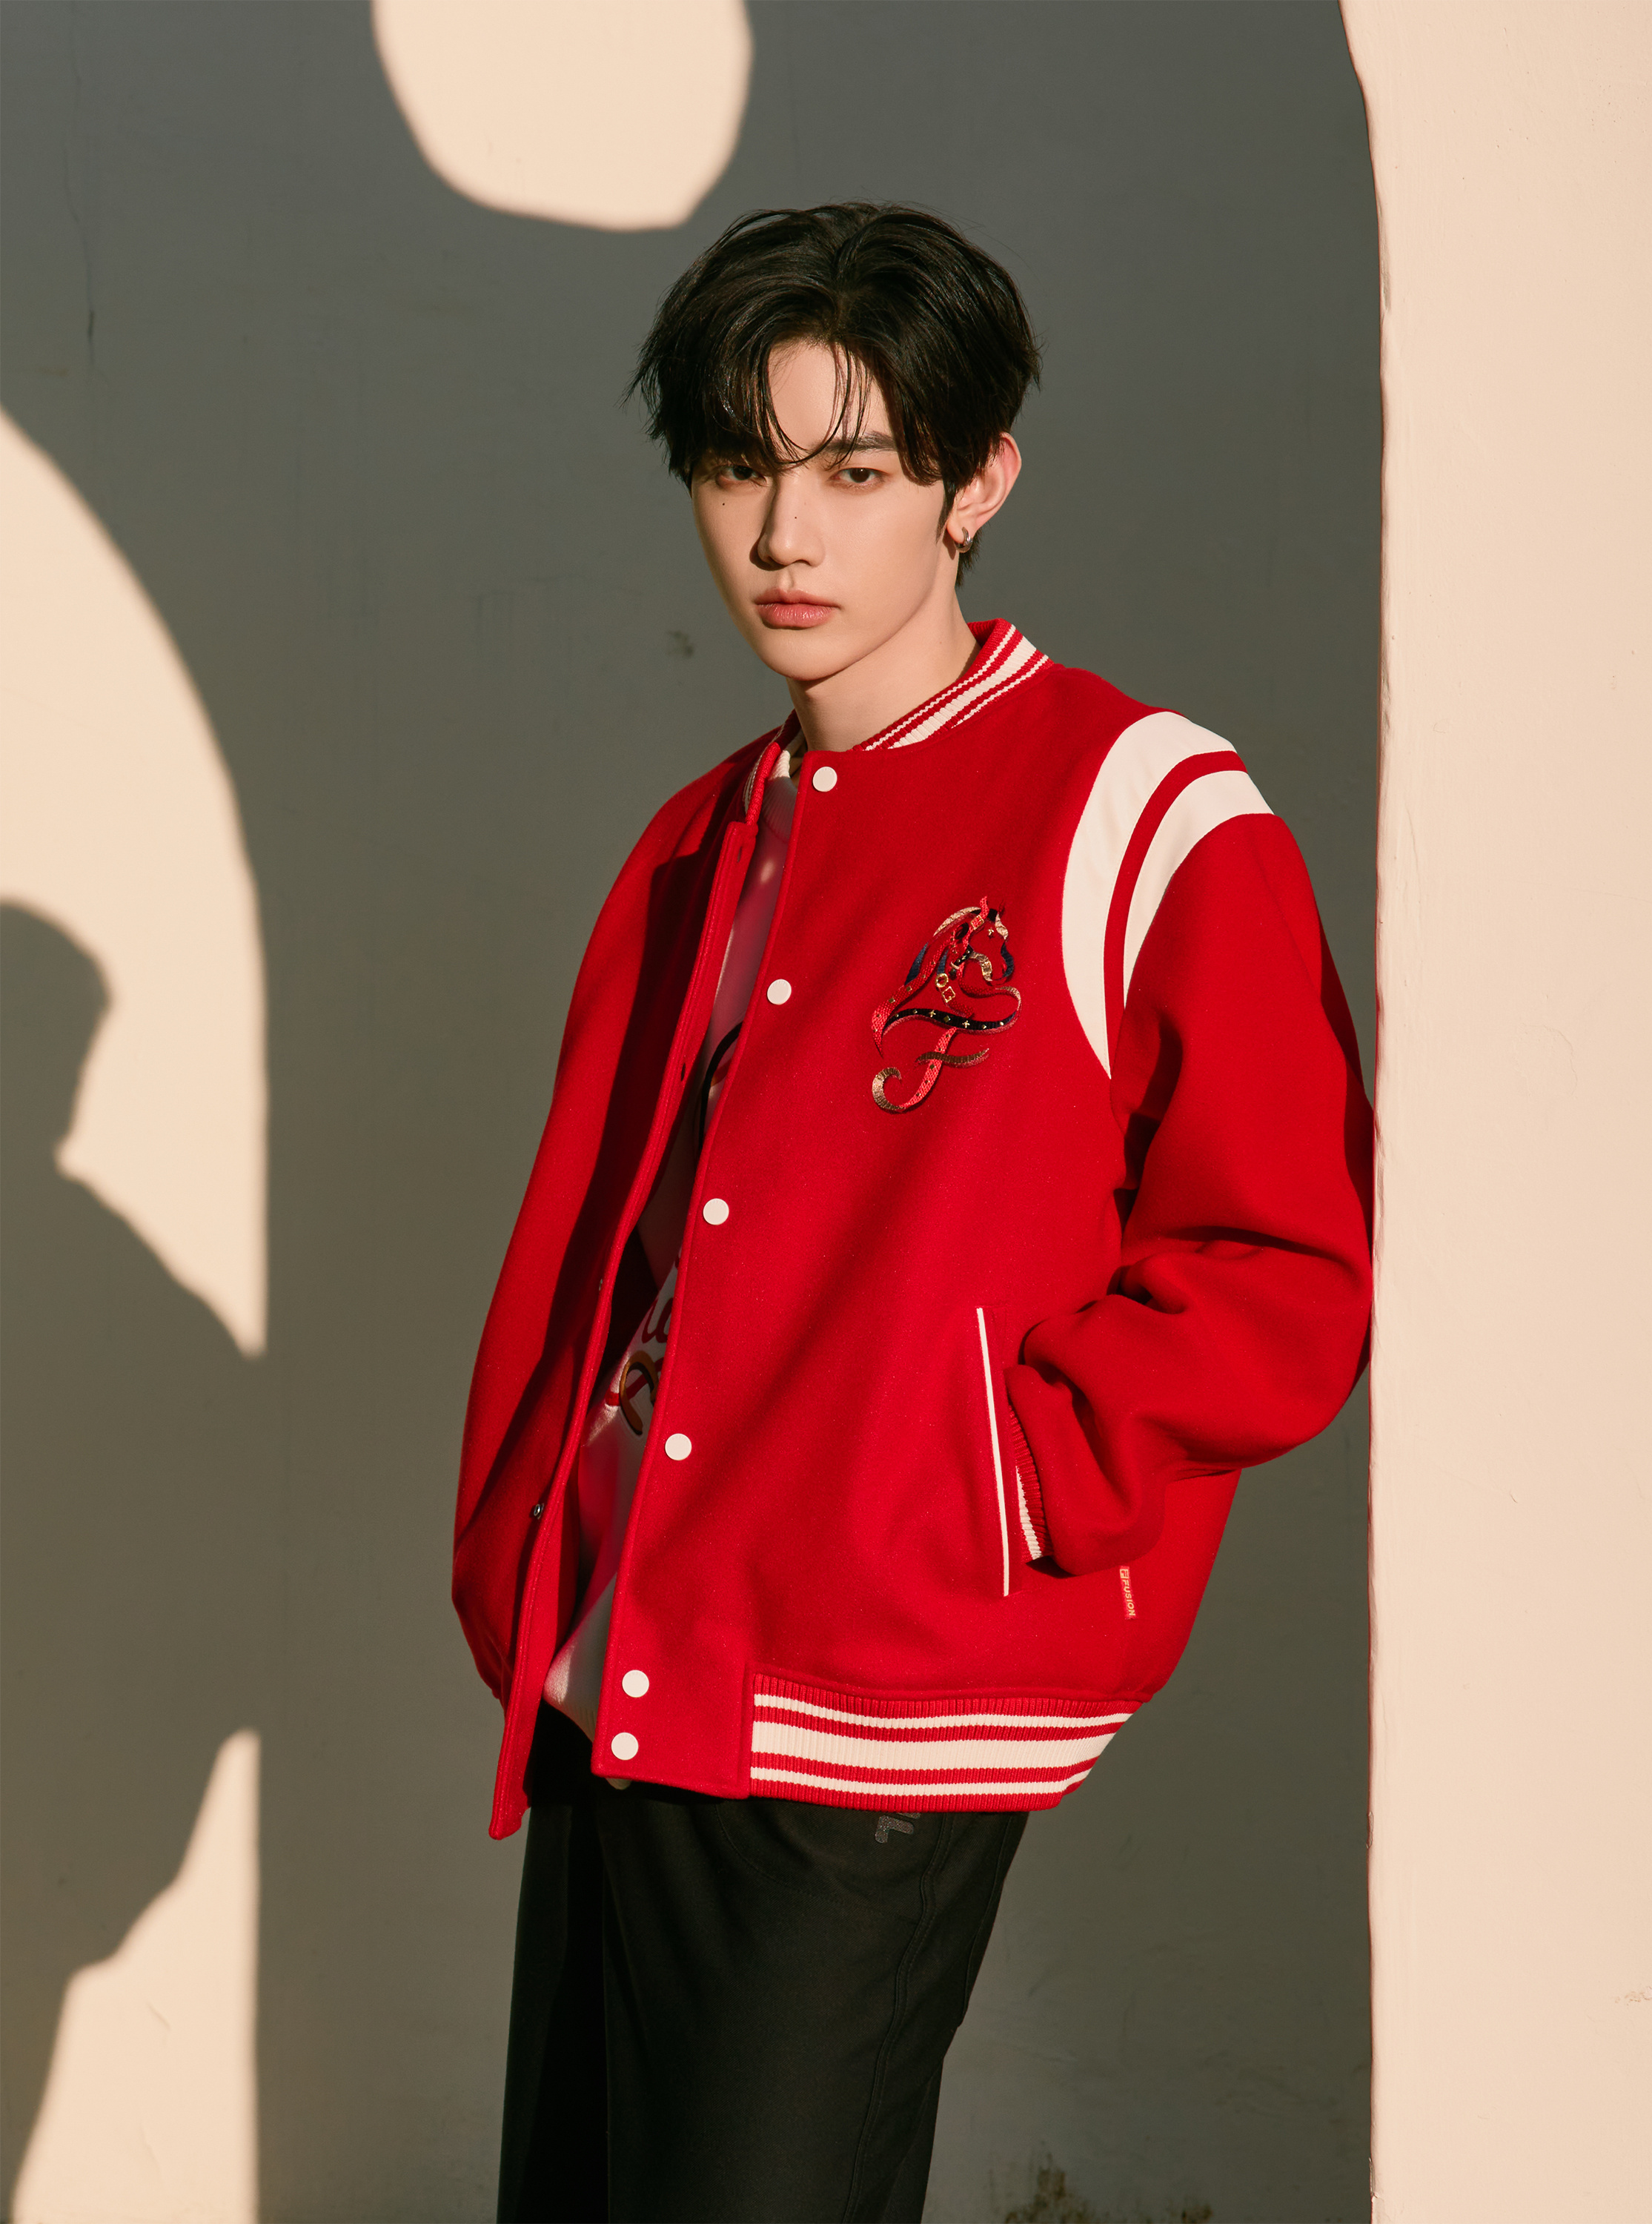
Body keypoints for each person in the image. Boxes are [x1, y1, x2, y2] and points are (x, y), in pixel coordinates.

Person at [453, 203, 1373, 2224]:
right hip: (627, 1662)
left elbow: (1284, 1267)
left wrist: (986, 1486)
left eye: (856, 471)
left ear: (978, 482)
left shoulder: (1142, 808)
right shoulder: (701, 840)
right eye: (738, 466)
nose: (786, 536)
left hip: (881, 1692)